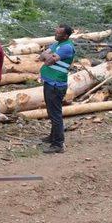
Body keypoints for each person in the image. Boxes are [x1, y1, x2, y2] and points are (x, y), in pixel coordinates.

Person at [39, 24, 75, 154]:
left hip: (56, 84)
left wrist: (47, 56)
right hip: (49, 82)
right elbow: (41, 57)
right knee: (51, 112)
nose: (56, 34)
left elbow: (48, 61)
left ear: (65, 35)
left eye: (59, 33)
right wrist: (47, 56)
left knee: (55, 114)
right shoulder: (57, 44)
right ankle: (53, 137)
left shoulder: (66, 47)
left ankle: (58, 144)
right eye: (56, 32)